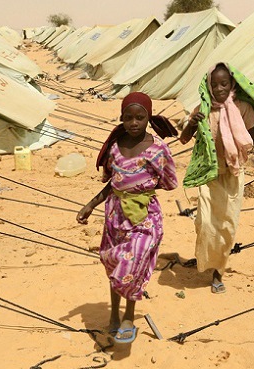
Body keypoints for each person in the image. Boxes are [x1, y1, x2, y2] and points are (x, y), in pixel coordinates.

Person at [77, 92, 178, 344]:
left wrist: (142, 188)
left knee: (130, 264)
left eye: (140, 118)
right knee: (114, 264)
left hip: (144, 216)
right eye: (128, 118)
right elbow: (113, 182)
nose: (134, 123)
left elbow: (169, 181)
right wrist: (90, 205)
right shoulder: (115, 146)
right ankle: (114, 315)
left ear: (148, 118)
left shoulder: (157, 149)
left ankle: (129, 317)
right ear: (121, 118)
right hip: (114, 215)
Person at [179, 62, 254, 294]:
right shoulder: (203, 109)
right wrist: (191, 125)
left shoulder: (243, 109)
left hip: (233, 174)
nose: (219, 89)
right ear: (208, 85)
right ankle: (206, 260)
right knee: (205, 223)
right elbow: (184, 138)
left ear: (232, 84)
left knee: (227, 226)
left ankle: (218, 272)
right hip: (209, 174)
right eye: (214, 84)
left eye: (224, 83)